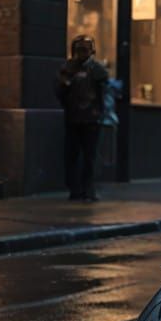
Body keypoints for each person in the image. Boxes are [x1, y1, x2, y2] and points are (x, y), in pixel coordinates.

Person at [57, 35, 109, 201]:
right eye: (79, 49)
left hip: (91, 120)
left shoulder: (97, 70)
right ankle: (75, 189)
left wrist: (99, 113)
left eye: (85, 49)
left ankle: (88, 189)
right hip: (74, 118)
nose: (82, 53)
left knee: (89, 157)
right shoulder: (68, 68)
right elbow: (60, 92)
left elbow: (103, 94)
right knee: (72, 155)